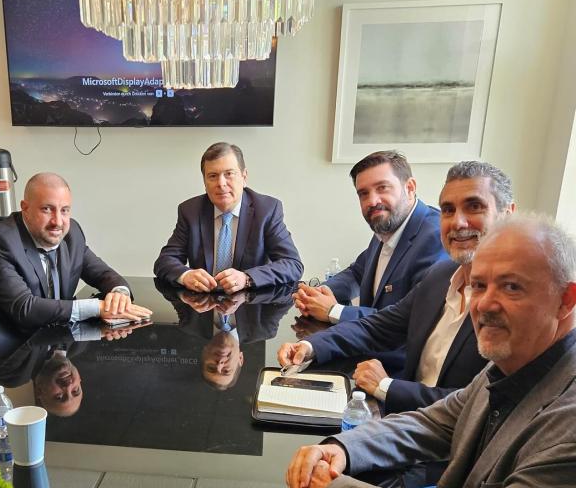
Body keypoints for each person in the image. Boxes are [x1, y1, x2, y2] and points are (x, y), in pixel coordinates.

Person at [286, 213, 576, 488]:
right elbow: (434, 423)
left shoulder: (568, 431)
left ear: (566, 300)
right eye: (478, 286)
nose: (485, 304)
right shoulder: (510, 364)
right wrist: (342, 448)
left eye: (511, 286)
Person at [279, 161, 514, 414]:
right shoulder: (441, 276)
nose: (458, 222)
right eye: (448, 210)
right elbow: (380, 326)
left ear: (508, 214)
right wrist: (311, 346)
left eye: (474, 207)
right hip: (405, 417)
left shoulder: (516, 302)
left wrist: (386, 387)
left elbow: (483, 403)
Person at [0, 173, 152, 367]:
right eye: (47, 209)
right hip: (2, 356)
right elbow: (25, 308)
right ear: (25, 208)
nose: (57, 221)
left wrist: (119, 295)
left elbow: (103, 274)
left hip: (48, 344)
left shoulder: (72, 233)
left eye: (64, 210)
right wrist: (99, 308)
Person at [294, 150, 447, 323]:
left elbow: (412, 320)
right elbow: (357, 273)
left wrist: (334, 311)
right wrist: (317, 294)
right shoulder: (388, 225)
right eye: (364, 193)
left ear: (410, 188)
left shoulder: (436, 238)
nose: (372, 201)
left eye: (382, 188)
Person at [154, 142, 303, 293]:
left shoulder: (266, 210)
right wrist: (185, 275)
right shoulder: (190, 211)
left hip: (251, 302)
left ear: (244, 177)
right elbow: (164, 261)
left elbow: (292, 264)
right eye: (213, 176)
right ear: (204, 182)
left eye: (229, 174)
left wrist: (247, 278)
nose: (221, 183)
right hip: (203, 302)